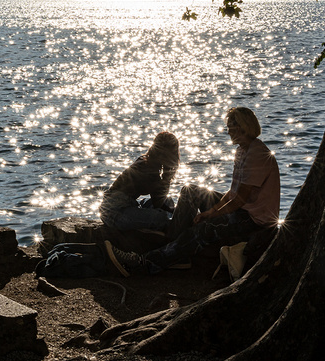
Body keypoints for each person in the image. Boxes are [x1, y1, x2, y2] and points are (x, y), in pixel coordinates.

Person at [105, 106, 280, 275]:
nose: (228, 132)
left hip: (252, 219)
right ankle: (175, 242)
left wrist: (211, 213)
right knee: (190, 191)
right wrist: (213, 209)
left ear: (242, 127)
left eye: (231, 127)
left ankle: (146, 263)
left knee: (202, 229)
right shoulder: (242, 151)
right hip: (241, 208)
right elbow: (233, 192)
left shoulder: (257, 154)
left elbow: (239, 200)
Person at [99, 131, 180, 232]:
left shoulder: (144, 160)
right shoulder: (150, 172)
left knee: (168, 201)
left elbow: (161, 201)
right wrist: (167, 178)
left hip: (126, 205)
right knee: (162, 218)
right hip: (114, 213)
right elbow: (158, 203)